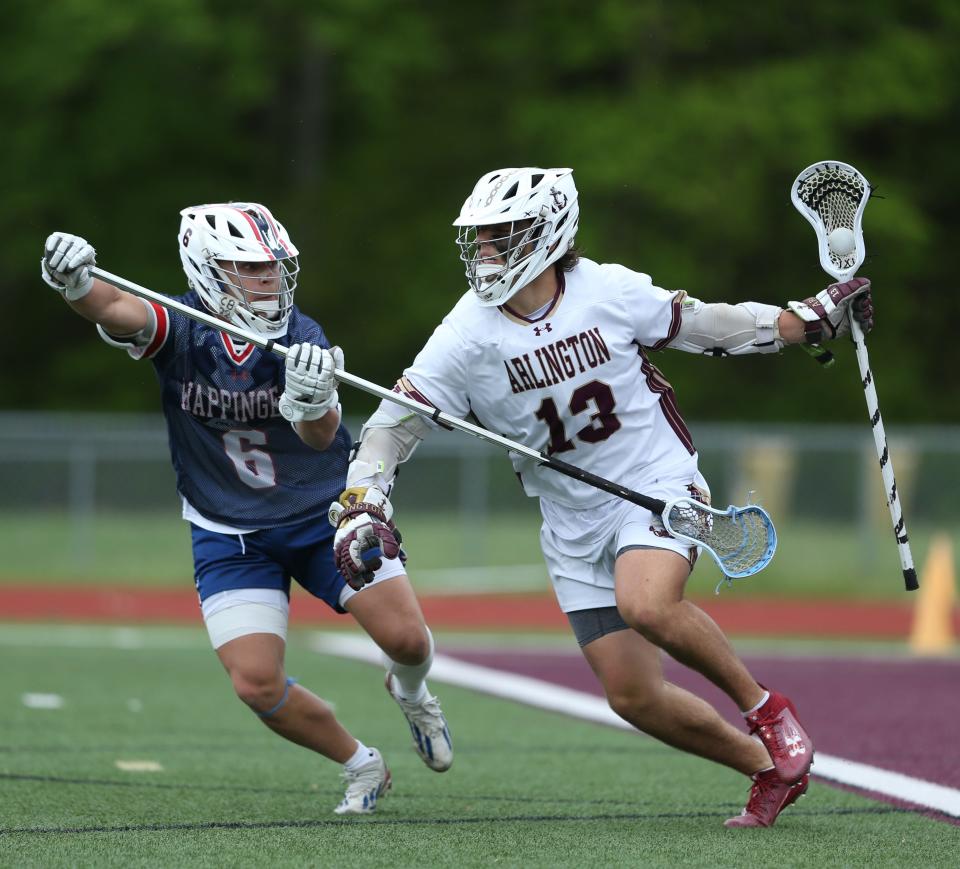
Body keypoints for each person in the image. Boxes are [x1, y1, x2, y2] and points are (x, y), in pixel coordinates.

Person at [327, 168, 875, 828]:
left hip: (654, 482)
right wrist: (365, 496)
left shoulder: (607, 290)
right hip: (570, 517)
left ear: (548, 234)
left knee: (644, 601)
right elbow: (395, 422)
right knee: (632, 694)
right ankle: (766, 766)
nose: (487, 254)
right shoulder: (467, 332)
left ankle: (769, 710)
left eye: (501, 238)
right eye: (481, 240)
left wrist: (802, 322)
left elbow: (705, 325)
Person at [40, 202, 453, 816]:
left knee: (409, 641)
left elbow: (322, 438)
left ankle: (411, 690)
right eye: (251, 269)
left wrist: (314, 401)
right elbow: (110, 305)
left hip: (320, 515)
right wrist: (74, 280)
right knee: (256, 683)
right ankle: (361, 765)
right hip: (227, 528)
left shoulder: (301, 338)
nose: (270, 282)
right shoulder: (180, 325)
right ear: (207, 271)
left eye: (274, 269)